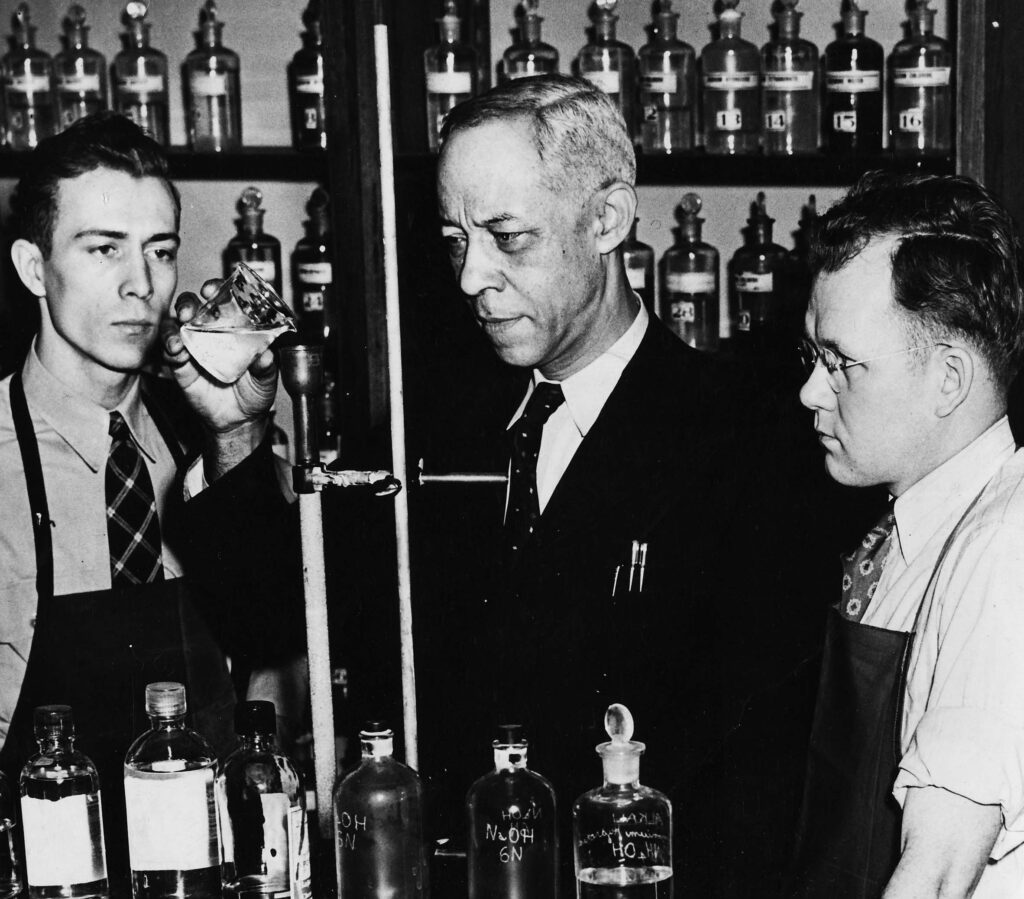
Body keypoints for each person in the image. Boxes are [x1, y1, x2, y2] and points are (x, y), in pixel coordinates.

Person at [175, 75, 849, 894]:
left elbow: (762, 790)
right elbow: (279, 613)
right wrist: (234, 429)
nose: (470, 277)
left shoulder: (747, 442)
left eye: (507, 236)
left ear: (607, 219)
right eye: (457, 239)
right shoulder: (436, 423)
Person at [0, 112, 302, 882]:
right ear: (35, 268)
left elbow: (279, 651)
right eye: (104, 249)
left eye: (160, 251)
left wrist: (236, 438)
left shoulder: (213, 432)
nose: (143, 284)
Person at [788, 171, 1024, 898]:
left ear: (948, 379)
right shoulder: (906, 537)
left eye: (841, 363)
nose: (811, 392)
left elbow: (938, 871)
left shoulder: (1006, 544)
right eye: (811, 358)